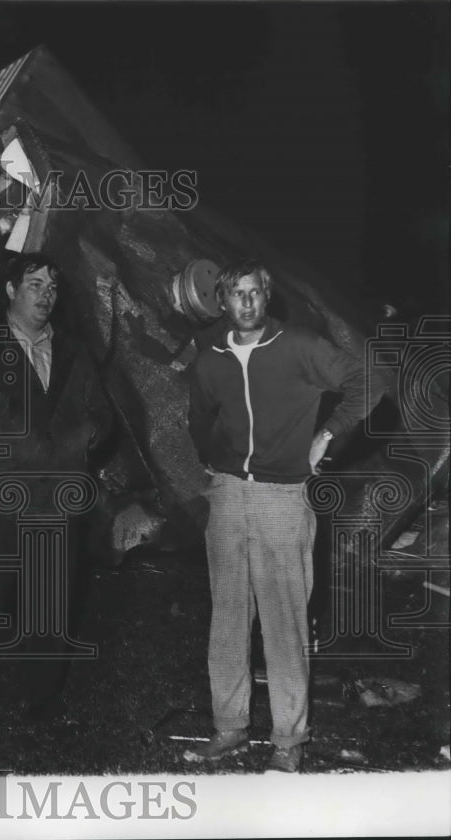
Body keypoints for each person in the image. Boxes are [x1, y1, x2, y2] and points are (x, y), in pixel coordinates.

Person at [185, 258, 381, 772]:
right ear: (221, 301)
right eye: (235, 294)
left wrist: (327, 435)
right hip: (228, 495)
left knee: (283, 623)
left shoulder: (297, 345)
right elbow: (199, 416)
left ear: (265, 297)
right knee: (226, 620)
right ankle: (228, 728)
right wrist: (214, 461)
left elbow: (369, 379)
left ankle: (288, 742)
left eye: (255, 293)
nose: (246, 303)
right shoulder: (210, 353)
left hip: (282, 499)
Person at [0, 255, 112, 747]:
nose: (45, 294)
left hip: (56, 504)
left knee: (48, 609)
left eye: (52, 287)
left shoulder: (76, 353)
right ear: (11, 291)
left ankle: (43, 700)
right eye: (34, 284)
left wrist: (85, 436)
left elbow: (105, 418)